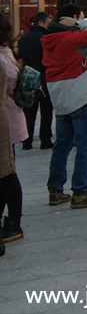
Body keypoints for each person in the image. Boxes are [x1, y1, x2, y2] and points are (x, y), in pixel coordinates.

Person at [43, 4, 87, 209]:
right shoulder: (73, 38)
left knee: (62, 145)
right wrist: (81, 23)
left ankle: (55, 189)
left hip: (60, 96)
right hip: (80, 95)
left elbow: (68, 60)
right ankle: (81, 192)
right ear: (74, 18)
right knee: (86, 145)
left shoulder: (49, 40)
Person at [0, 13, 26, 244]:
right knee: (6, 172)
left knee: (6, 173)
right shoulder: (7, 54)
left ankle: (13, 222)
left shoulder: (1, 59)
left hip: (5, 121)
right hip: (10, 117)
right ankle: (11, 220)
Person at [16, 12, 53, 150]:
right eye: (48, 22)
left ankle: (27, 139)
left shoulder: (23, 38)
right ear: (41, 23)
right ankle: (45, 139)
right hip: (44, 75)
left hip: (29, 76)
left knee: (29, 110)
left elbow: (20, 56)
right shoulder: (46, 37)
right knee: (46, 109)